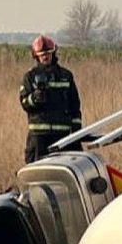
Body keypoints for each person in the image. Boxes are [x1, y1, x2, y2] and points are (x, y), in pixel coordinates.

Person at [19, 35, 83, 163]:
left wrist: (76, 132)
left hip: (63, 137)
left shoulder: (66, 76)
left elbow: (75, 105)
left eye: (48, 53)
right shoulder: (30, 77)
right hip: (39, 138)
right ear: (36, 56)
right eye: (42, 54)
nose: (45, 56)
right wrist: (35, 98)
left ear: (53, 53)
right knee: (37, 173)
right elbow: (24, 103)